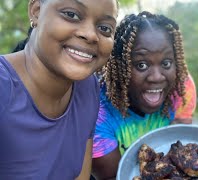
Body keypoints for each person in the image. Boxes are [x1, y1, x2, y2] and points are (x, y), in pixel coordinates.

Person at [0, 0, 118, 179]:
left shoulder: (87, 87)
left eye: (105, 28)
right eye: (71, 14)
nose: (91, 35)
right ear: (36, 11)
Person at [91, 11, 197, 179]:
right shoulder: (98, 112)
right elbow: (114, 176)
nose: (157, 76)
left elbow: (182, 153)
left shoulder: (181, 88)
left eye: (166, 63)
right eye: (141, 65)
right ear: (120, 67)